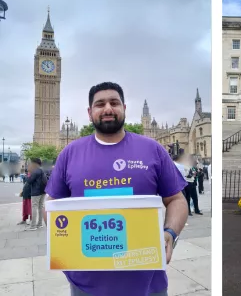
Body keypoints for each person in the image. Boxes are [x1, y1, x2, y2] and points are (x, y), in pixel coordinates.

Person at [43, 82, 188, 296]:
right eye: (100, 104)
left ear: (124, 109)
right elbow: (51, 203)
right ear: (90, 112)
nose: (108, 109)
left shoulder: (152, 149)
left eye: (114, 103)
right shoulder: (70, 153)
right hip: (85, 283)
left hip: (147, 282)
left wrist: (170, 233)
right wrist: (64, 242)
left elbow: (177, 199)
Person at [27, 158, 47, 231]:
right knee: (41, 207)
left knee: (34, 207)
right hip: (43, 191)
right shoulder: (42, 170)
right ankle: (40, 224)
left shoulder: (35, 171)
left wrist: (28, 173)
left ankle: (33, 226)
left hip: (36, 192)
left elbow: (29, 181)